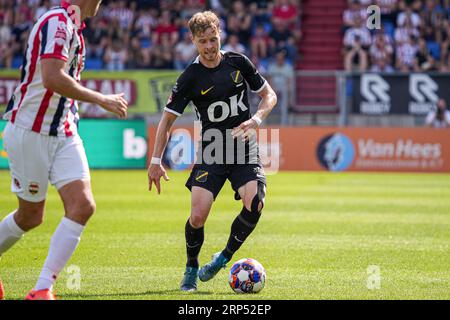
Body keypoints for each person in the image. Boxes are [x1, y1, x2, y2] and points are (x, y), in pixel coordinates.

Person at [0, 0, 128, 300]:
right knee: (31, 216)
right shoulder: (57, 22)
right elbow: (52, 77)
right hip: (31, 130)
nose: (100, 3)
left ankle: (43, 288)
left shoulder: (74, 27)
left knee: (83, 205)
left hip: (64, 131)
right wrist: (101, 99)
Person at [147, 11, 277, 292]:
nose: (209, 46)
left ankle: (223, 258)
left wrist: (256, 119)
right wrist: (156, 161)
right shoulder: (190, 77)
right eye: (203, 41)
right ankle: (191, 267)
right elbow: (167, 121)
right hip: (212, 151)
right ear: (193, 40)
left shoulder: (238, 62)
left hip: (243, 147)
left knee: (255, 202)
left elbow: (269, 95)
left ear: (221, 35)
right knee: (198, 216)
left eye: (213, 39)